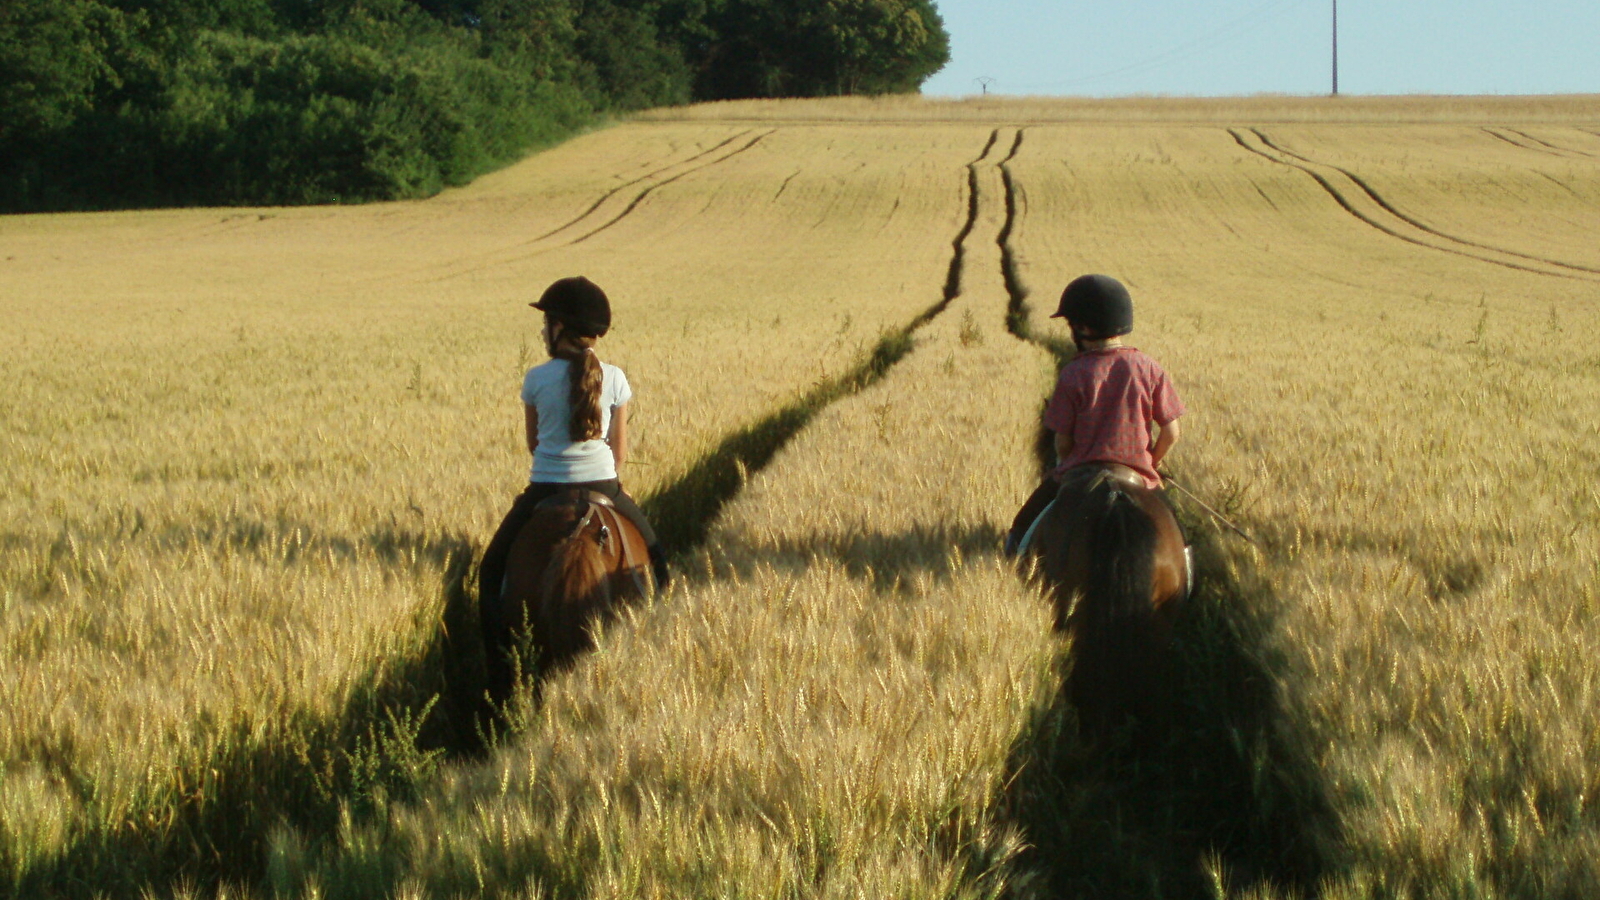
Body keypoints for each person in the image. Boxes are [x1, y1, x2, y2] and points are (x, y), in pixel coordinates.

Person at [478, 276, 669, 621]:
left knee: (490, 573)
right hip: (605, 486)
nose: (541, 332)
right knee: (658, 565)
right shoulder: (615, 377)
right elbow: (619, 454)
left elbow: (534, 444)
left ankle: (498, 672)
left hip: (545, 489)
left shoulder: (536, 378)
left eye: (545, 323)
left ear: (559, 326)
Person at [1005, 274, 1185, 555]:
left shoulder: (1073, 373)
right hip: (1139, 473)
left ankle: (1012, 557)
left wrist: (1064, 464)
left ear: (1082, 327)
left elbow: (1062, 442)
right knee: (1179, 541)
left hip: (1080, 474)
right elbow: (1172, 432)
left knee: (1020, 530)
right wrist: (1151, 464)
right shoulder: (1150, 368)